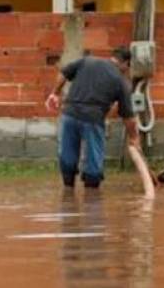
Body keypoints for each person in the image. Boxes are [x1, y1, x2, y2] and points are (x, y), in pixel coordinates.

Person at [45, 47, 139, 189]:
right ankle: (92, 200)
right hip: (93, 120)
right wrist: (133, 138)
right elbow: (128, 117)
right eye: (128, 67)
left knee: (67, 156)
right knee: (93, 164)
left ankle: (68, 191)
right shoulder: (120, 81)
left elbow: (64, 73)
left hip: (69, 115)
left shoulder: (87, 61)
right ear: (125, 63)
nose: (127, 70)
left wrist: (55, 93)